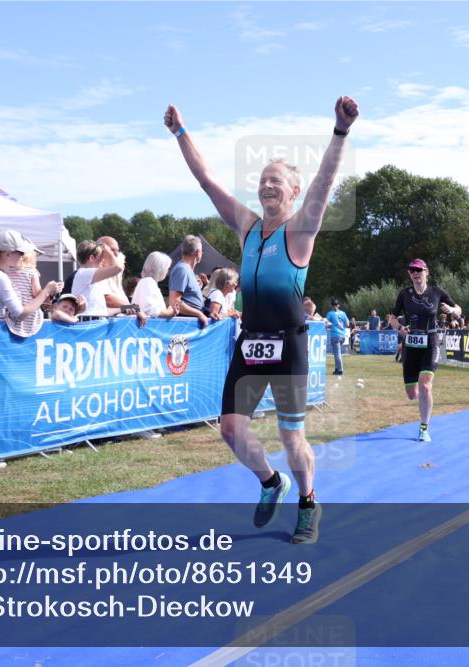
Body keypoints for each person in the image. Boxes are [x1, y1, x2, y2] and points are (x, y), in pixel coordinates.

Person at [165, 94, 358, 544]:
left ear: (293, 192)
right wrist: (180, 133)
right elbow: (207, 180)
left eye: (277, 182)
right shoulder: (248, 227)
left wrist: (340, 131)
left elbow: (325, 184)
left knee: (293, 438)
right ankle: (271, 483)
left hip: (288, 342)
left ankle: (308, 503)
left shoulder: (301, 229)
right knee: (231, 429)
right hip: (250, 341)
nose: (267, 186)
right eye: (263, 181)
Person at [387, 258, 461, 442]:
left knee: (426, 385)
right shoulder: (404, 294)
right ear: (409, 274)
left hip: (430, 341)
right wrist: (399, 329)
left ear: (426, 272)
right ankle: (421, 396)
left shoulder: (437, 292)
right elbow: (392, 318)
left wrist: (452, 310)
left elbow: (459, 310)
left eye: (419, 270)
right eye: (412, 270)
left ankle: (423, 428)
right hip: (410, 345)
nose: (416, 273)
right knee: (412, 394)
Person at [0, 230, 61, 321]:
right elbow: (20, 314)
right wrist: (46, 291)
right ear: (8, 254)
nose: (23, 256)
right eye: (21, 252)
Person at [70, 239, 126, 317]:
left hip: (94, 322)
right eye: (101, 257)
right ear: (91, 258)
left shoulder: (88, 275)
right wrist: (108, 251)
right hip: (89, 323)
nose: (103, 260)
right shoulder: (84, 273)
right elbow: (118, 268)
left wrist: (126, 307)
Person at [169, 235, 210, 327]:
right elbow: (175, 303)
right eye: (201, 251)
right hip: (186, 325)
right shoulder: (182, 270)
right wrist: (199, 314)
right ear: (198, 252)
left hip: (191, 323)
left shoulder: (187, 270)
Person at [133, 251, 179, 318]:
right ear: (160, 269)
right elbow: (151, 311)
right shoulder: (148, 282)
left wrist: (170, 310)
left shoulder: (149, 282)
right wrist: (169, 312)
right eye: (167, 268)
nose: (167, 271)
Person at [326, 299, 349, 375]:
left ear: (332, 306)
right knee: (336, 353)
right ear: (338, 305)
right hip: (342, 335)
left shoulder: (330, 314)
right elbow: (347, 324)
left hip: (335, 335)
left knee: (337, 353)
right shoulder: (343, 313)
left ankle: (340, 370)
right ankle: (336, 368)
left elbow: (327, 323)